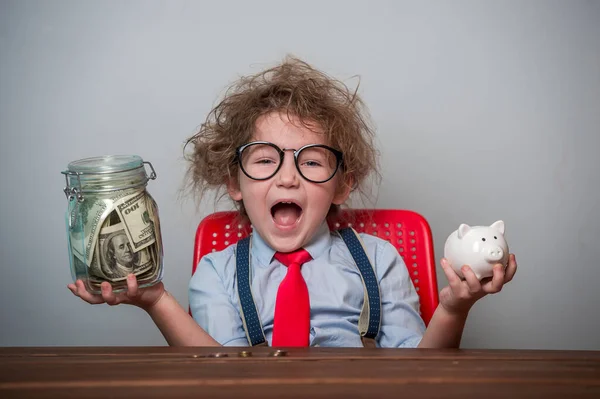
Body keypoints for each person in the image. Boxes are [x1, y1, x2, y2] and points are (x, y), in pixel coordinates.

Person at [68, 56, 517, 348]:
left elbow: (419, 372)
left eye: (313, 162)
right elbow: (218, 376)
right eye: (264, 160)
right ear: (234, 182)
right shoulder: (217, 272)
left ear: (342, 186)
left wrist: (455, 308)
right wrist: (156, 301)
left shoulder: (379, 260)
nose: (287, 176)